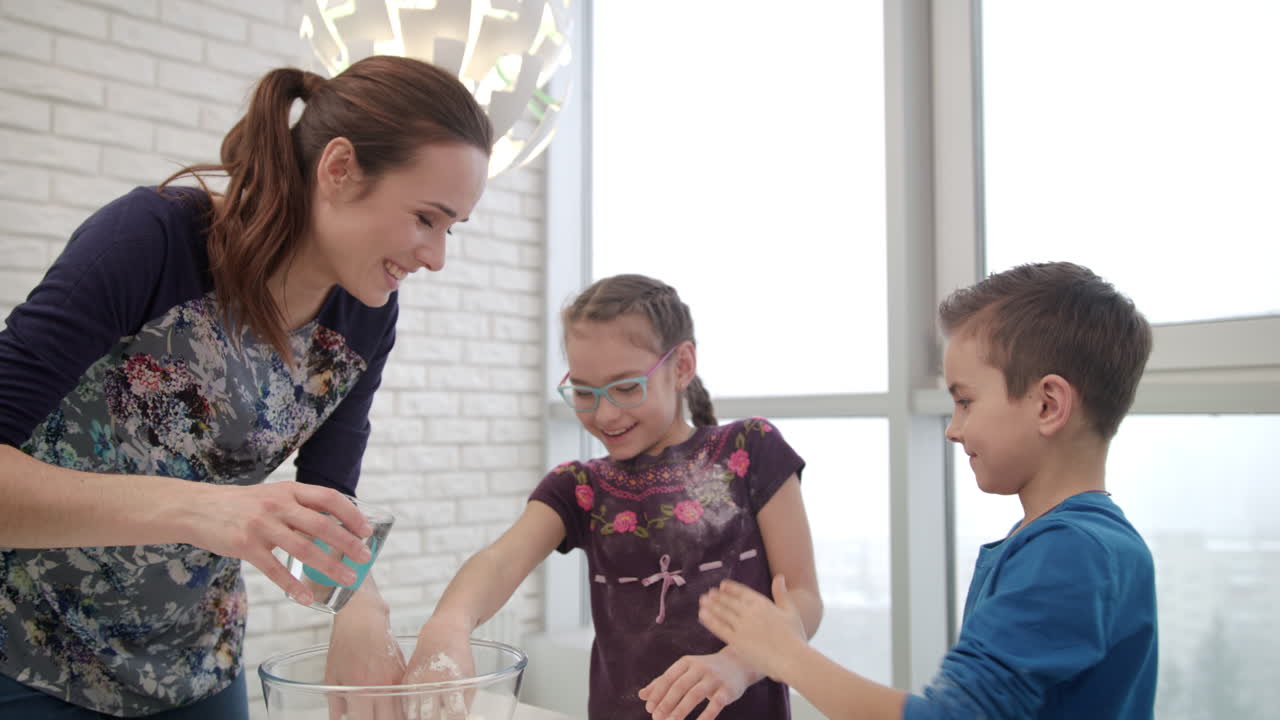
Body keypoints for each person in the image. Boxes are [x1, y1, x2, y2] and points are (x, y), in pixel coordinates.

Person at [0, 55, 492, 718]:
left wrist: (358, 605)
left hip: (199, 666)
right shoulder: (152, 239)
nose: (436, 257)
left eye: (451, 228)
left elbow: (330, 497)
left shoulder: (365, 316)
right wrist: (207, 511)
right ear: (339, 169)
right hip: (28, 653)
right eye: (427, 218)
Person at [698, 261, 1158, 719]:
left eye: (966, 402)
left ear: (1048, 405)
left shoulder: (1070, 553)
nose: (953, 429)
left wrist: (787, 656)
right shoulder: (1084, 546)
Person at [404, 274, 822, 720]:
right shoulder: (579, 487)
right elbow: (501, 561)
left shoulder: (749, 450)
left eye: (625, 387)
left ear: (682, 366)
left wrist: (739, 664)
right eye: (585, 392)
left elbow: (802, 597)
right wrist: (449, 623)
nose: (604, 413)